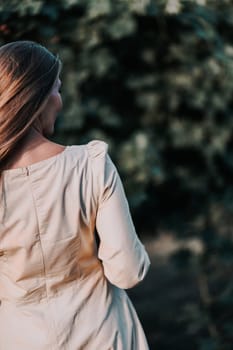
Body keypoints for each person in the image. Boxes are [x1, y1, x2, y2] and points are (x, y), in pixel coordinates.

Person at [0, 40, 150, 349]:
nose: (60, 100)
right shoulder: (91, 164)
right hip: (104, 333)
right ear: (37, 98)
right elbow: (127, 271)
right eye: (57, 89)